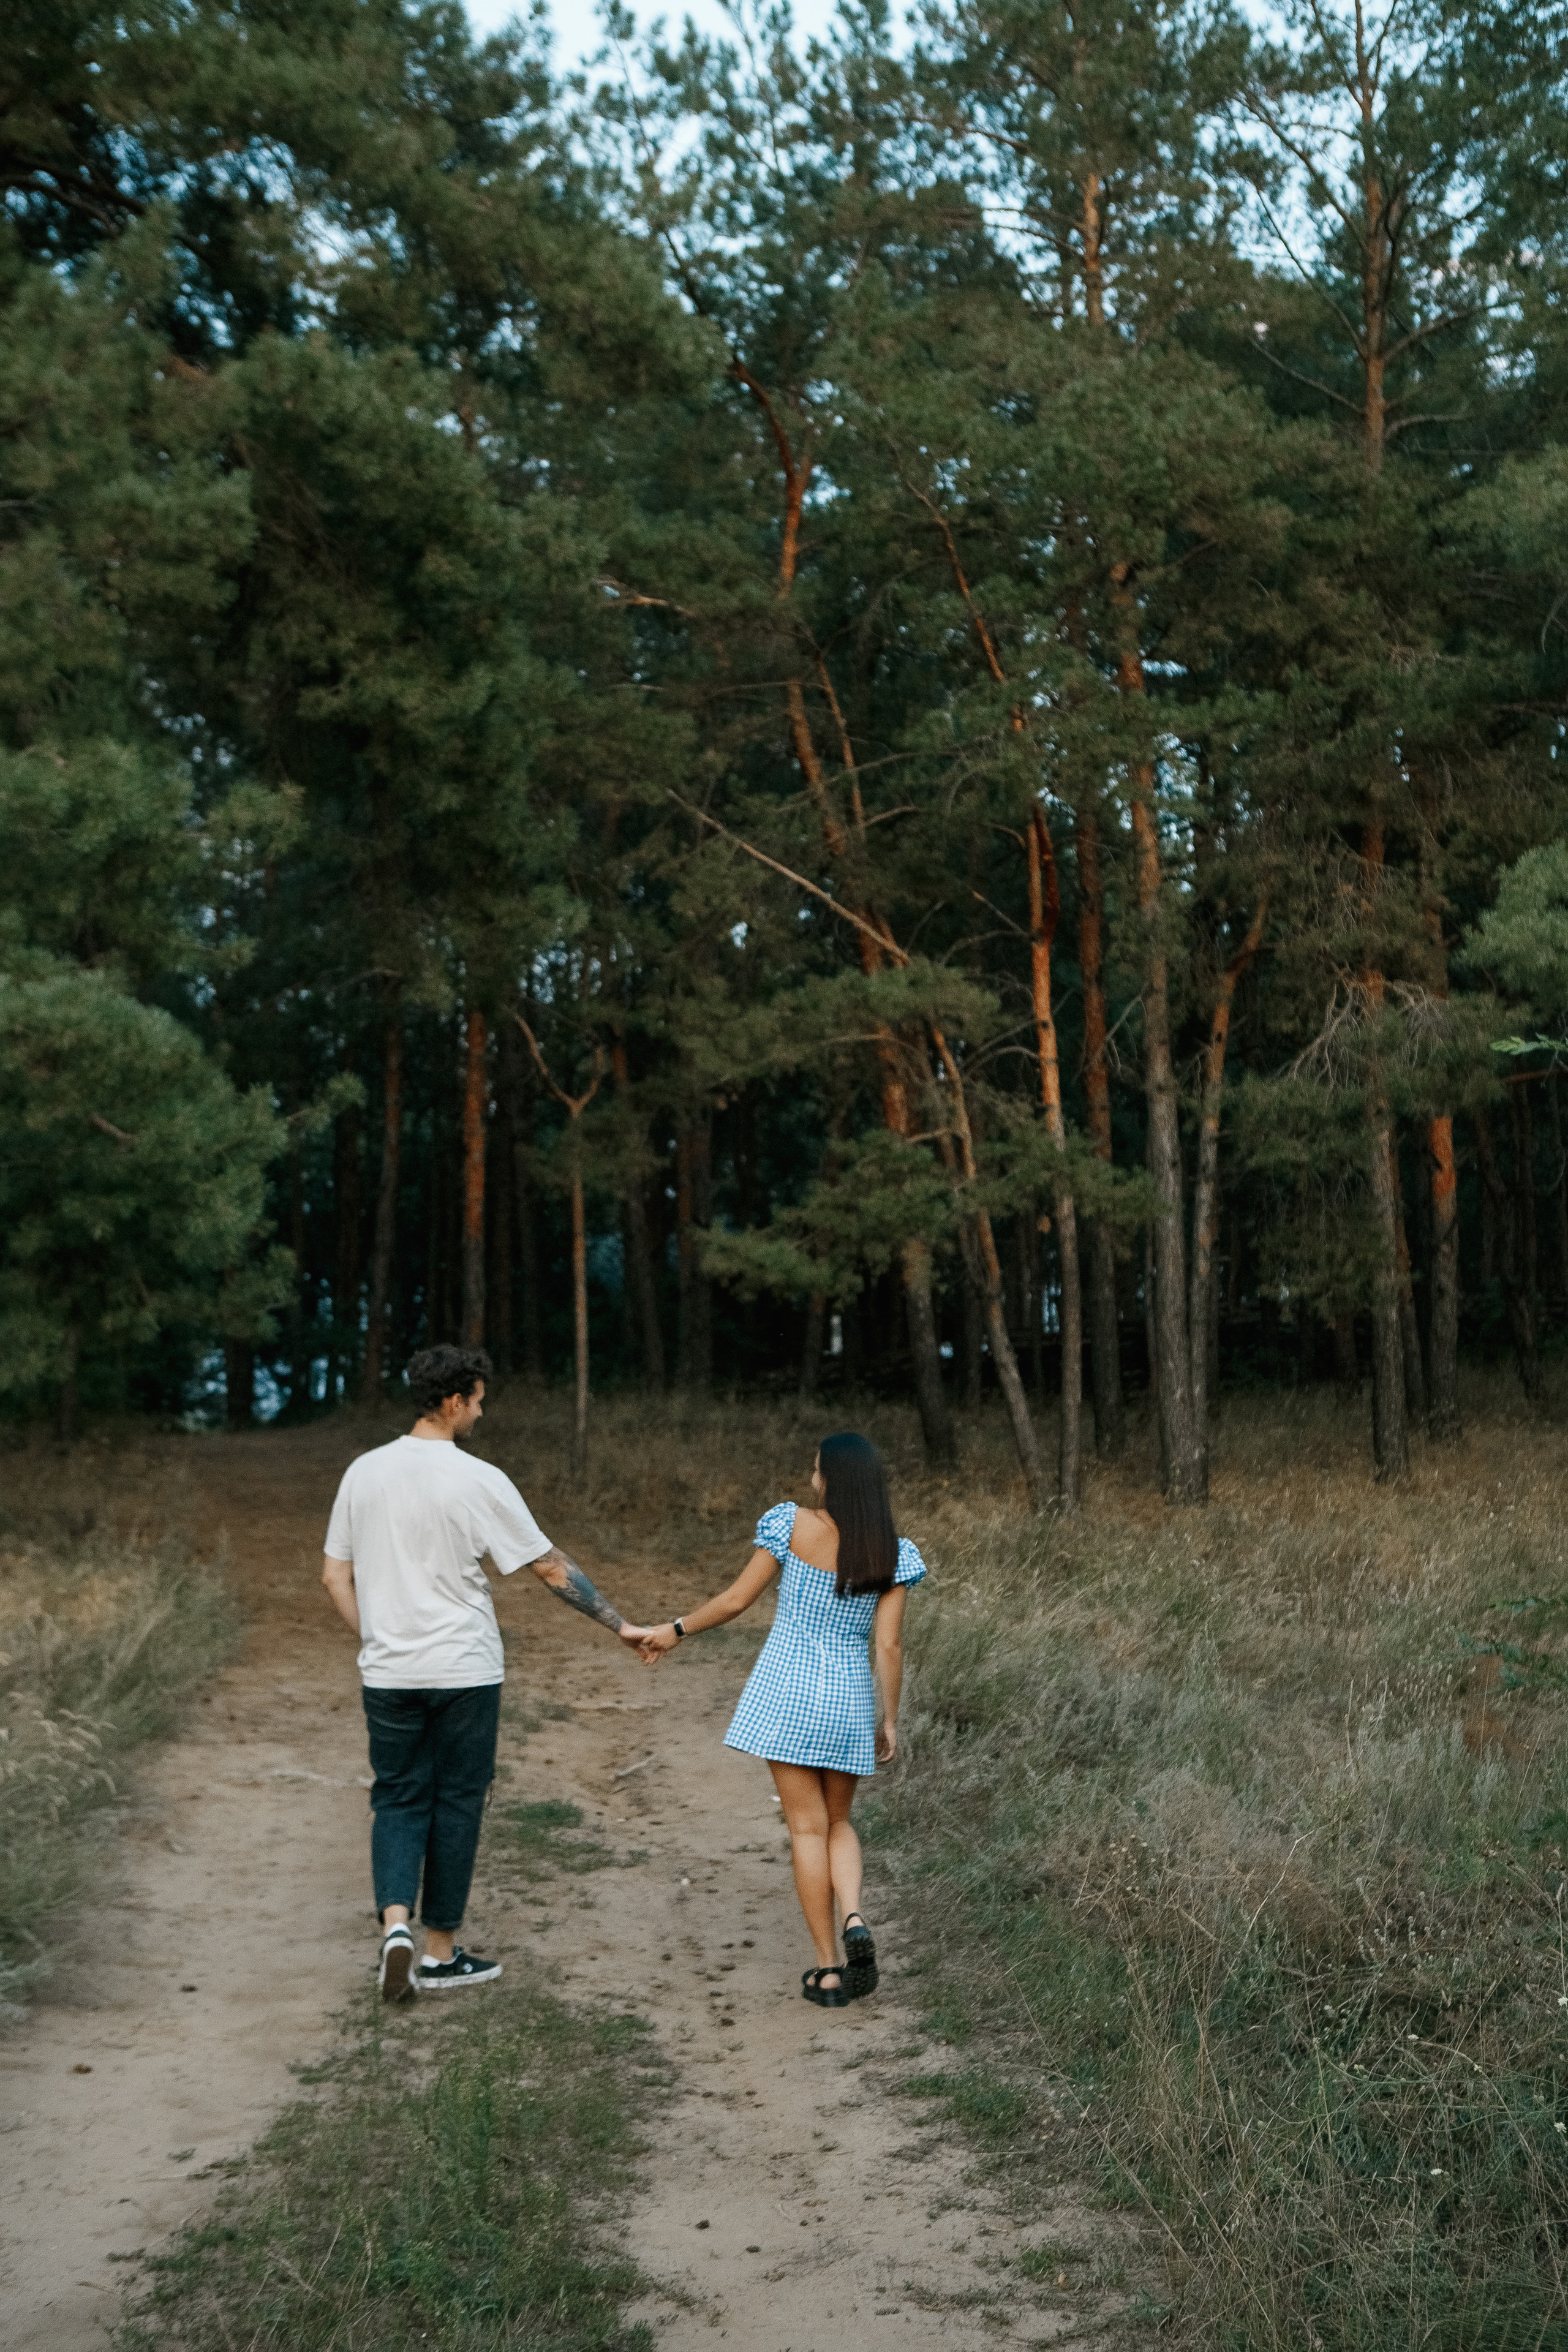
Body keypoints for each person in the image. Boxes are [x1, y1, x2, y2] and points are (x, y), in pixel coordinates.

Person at [322, 1343, 647, 2001]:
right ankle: (439, 1953)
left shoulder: (363, 1472)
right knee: (458, 1799)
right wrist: (619, 1625)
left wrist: (380, 1637)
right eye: (478, 1400)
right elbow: (550, 1568)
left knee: (397, 1795)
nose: (480, 1412)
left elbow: (334, 1575)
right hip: (464, 1670)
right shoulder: (479, 1479)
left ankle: (394, 1928)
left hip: (390, 1671)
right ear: (453, 1399)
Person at [636, 1430, 925, 2007]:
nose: (813, 1478)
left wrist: (673, 1632)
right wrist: (889, 1720)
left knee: (806, 1830)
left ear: (833, 1480)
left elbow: (735, 1601)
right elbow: (888, 1647)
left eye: (818, 1470)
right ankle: (855, 1916)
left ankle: (827, 1968)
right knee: (839, 1823)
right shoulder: (895, 1552)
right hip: (847, 1699)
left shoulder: (790, 1524)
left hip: (788, 1693)